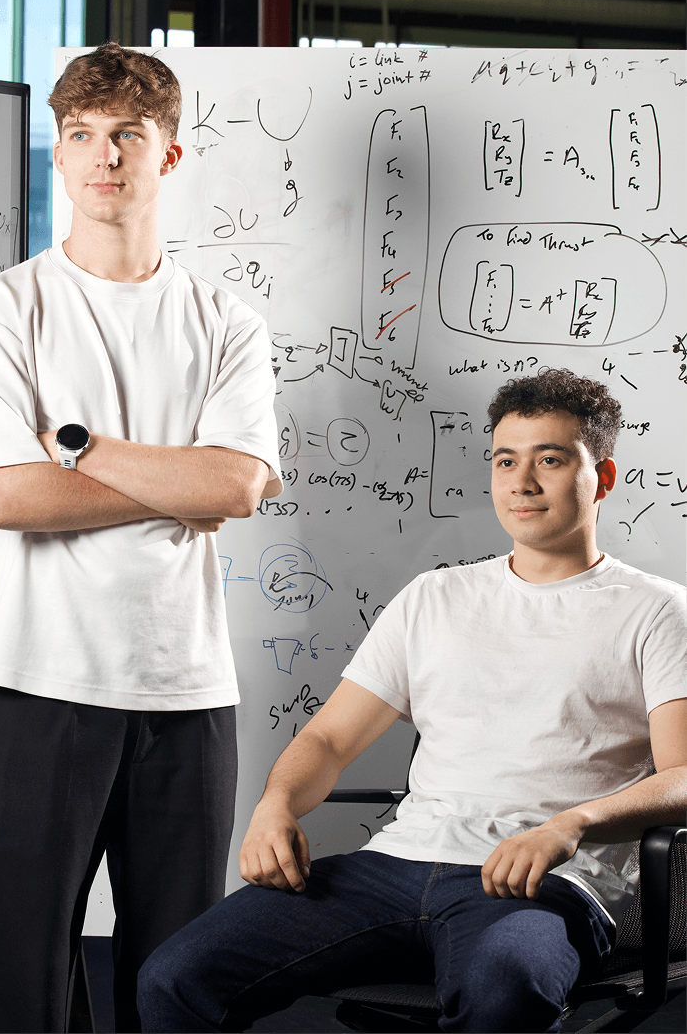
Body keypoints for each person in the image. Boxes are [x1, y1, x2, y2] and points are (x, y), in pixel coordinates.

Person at [138, 369, 686, 1034]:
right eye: (505, 461)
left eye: (550, 459)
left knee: (506, 987)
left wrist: (570, 823)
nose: (521, 481)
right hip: (393, 868)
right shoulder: (435, 597)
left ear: (601, 478)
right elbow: (329, 739)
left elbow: (682, 775)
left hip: (539, 884)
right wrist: (275, 805)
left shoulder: (657, 611)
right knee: (176, 975)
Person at [0, 42, 281, 1033]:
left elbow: (235, 485)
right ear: (60, 153)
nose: (103, 156)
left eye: (128, 136)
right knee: (19, 979)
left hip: (189, 692)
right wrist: (176, 484)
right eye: (81, 135)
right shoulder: (3, 311)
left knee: (177, 979)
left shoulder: (225, 320)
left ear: (169, 155)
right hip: (42, 681)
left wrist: (77, 449)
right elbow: (0, 496)